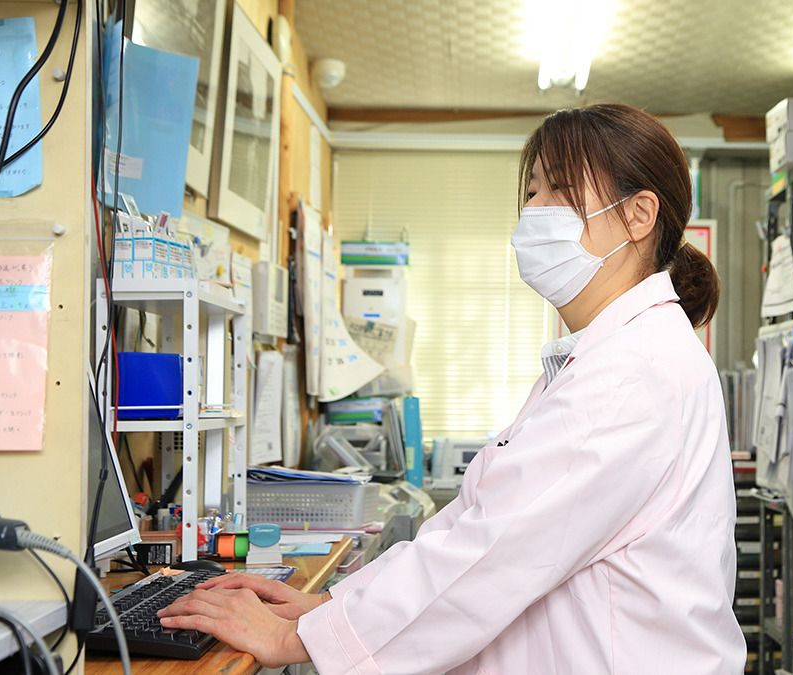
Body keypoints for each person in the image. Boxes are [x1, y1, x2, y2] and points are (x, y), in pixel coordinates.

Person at [159, 103, 745, 673]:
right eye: (532, 191)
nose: (533, 211)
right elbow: (471, 525)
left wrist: (297, 639)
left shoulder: (632, 370)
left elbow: (491, 556)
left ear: (639, 215)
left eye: (557, 189)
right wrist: (328, 608)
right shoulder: (609, 355)